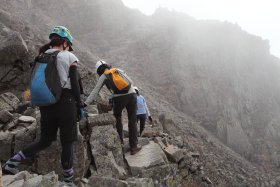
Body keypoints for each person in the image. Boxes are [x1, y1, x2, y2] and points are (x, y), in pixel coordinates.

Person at [2, 26, 83, 187]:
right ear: (65, 43)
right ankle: (68, 180)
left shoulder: (41, 56)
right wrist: (79, 105)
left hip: (46, 103)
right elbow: (74, 82)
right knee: (67, 142)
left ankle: (13, 162)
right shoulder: (68, 56)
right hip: (66, 102)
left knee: (45, 140)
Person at [84, 60, 142, 155]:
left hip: (119, 99)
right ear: (107, 65)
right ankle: (134, 146)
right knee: (132, 119)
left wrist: (85, 103)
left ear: (98, 70)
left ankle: (120, 143)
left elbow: (95, 91)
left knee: (118, 118)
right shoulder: (117, 70)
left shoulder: (103, 76)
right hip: (132, 95)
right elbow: (131, 81)